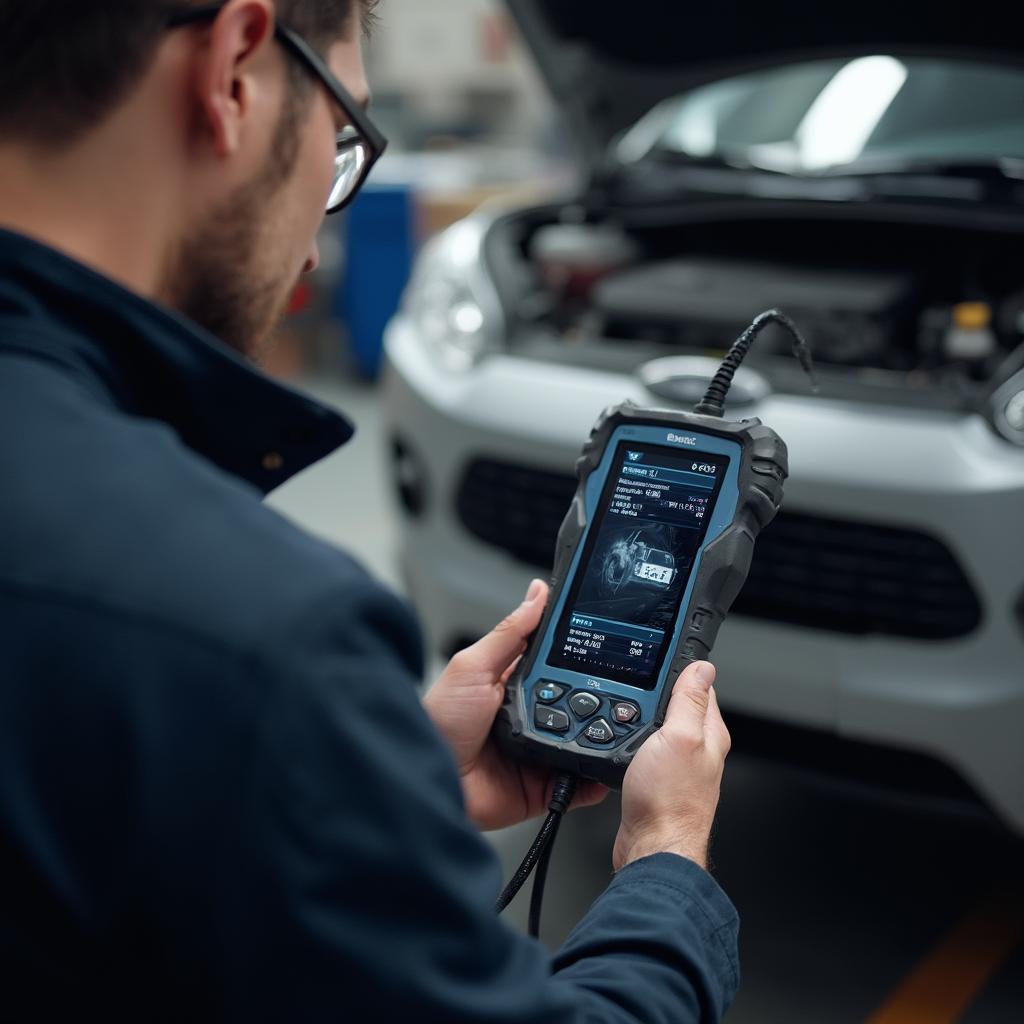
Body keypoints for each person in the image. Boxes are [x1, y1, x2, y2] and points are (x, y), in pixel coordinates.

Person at [0, 1, 738, 1020]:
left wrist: (373, 787)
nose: (316, 239)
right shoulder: (257, 641)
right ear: (234, 70)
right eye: (345, 134)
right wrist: (666, 866)